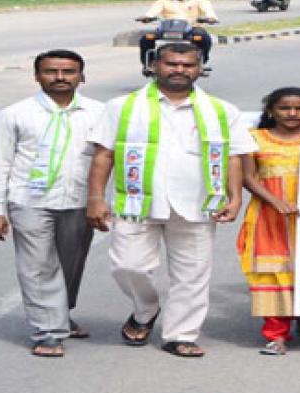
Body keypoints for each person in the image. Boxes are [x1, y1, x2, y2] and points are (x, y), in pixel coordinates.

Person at [86, 43, 257, 358]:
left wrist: (235, 198)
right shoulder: (121, 106)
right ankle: (145, 309)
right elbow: (103, 155)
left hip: (197, 203)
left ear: (200, 68)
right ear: (154, 65)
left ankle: (181, 334)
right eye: (172, 63)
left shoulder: (222, 110)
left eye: (188, 64)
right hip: (138, 202)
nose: (179, 69)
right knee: (127, 265)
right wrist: (95, 198)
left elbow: (233, 157)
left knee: (192, 273)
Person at [0, 50, 103, 357]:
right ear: (37, 76)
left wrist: (102, 200)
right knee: (37, 265)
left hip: (78, 201)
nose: (60, 77)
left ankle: (61, 312)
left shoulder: (99, 113)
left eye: (68, 71)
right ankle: (48, 330)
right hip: (29, 200)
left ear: (82, 76)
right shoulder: (14, 114)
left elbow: (109, 159)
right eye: (51, 71)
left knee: (71, 263)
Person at [238, 88, 300, 356]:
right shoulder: (254, 139)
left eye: (299, 108)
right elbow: (249, 178)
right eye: (285, 108)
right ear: (271, 111)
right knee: (273, 273)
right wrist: (275, 201)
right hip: (269, 216)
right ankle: (276, 335)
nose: (292, 113)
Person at [138, 0, 218, 66]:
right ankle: (149, 64)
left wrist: (211, 18)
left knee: (203, 38)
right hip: (167, 28)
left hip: (192, 28)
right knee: (146, 38)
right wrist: (147, 17)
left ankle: (201, 62)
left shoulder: (199, 0)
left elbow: (209, 12)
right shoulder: (163, 1)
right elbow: (152, 12)